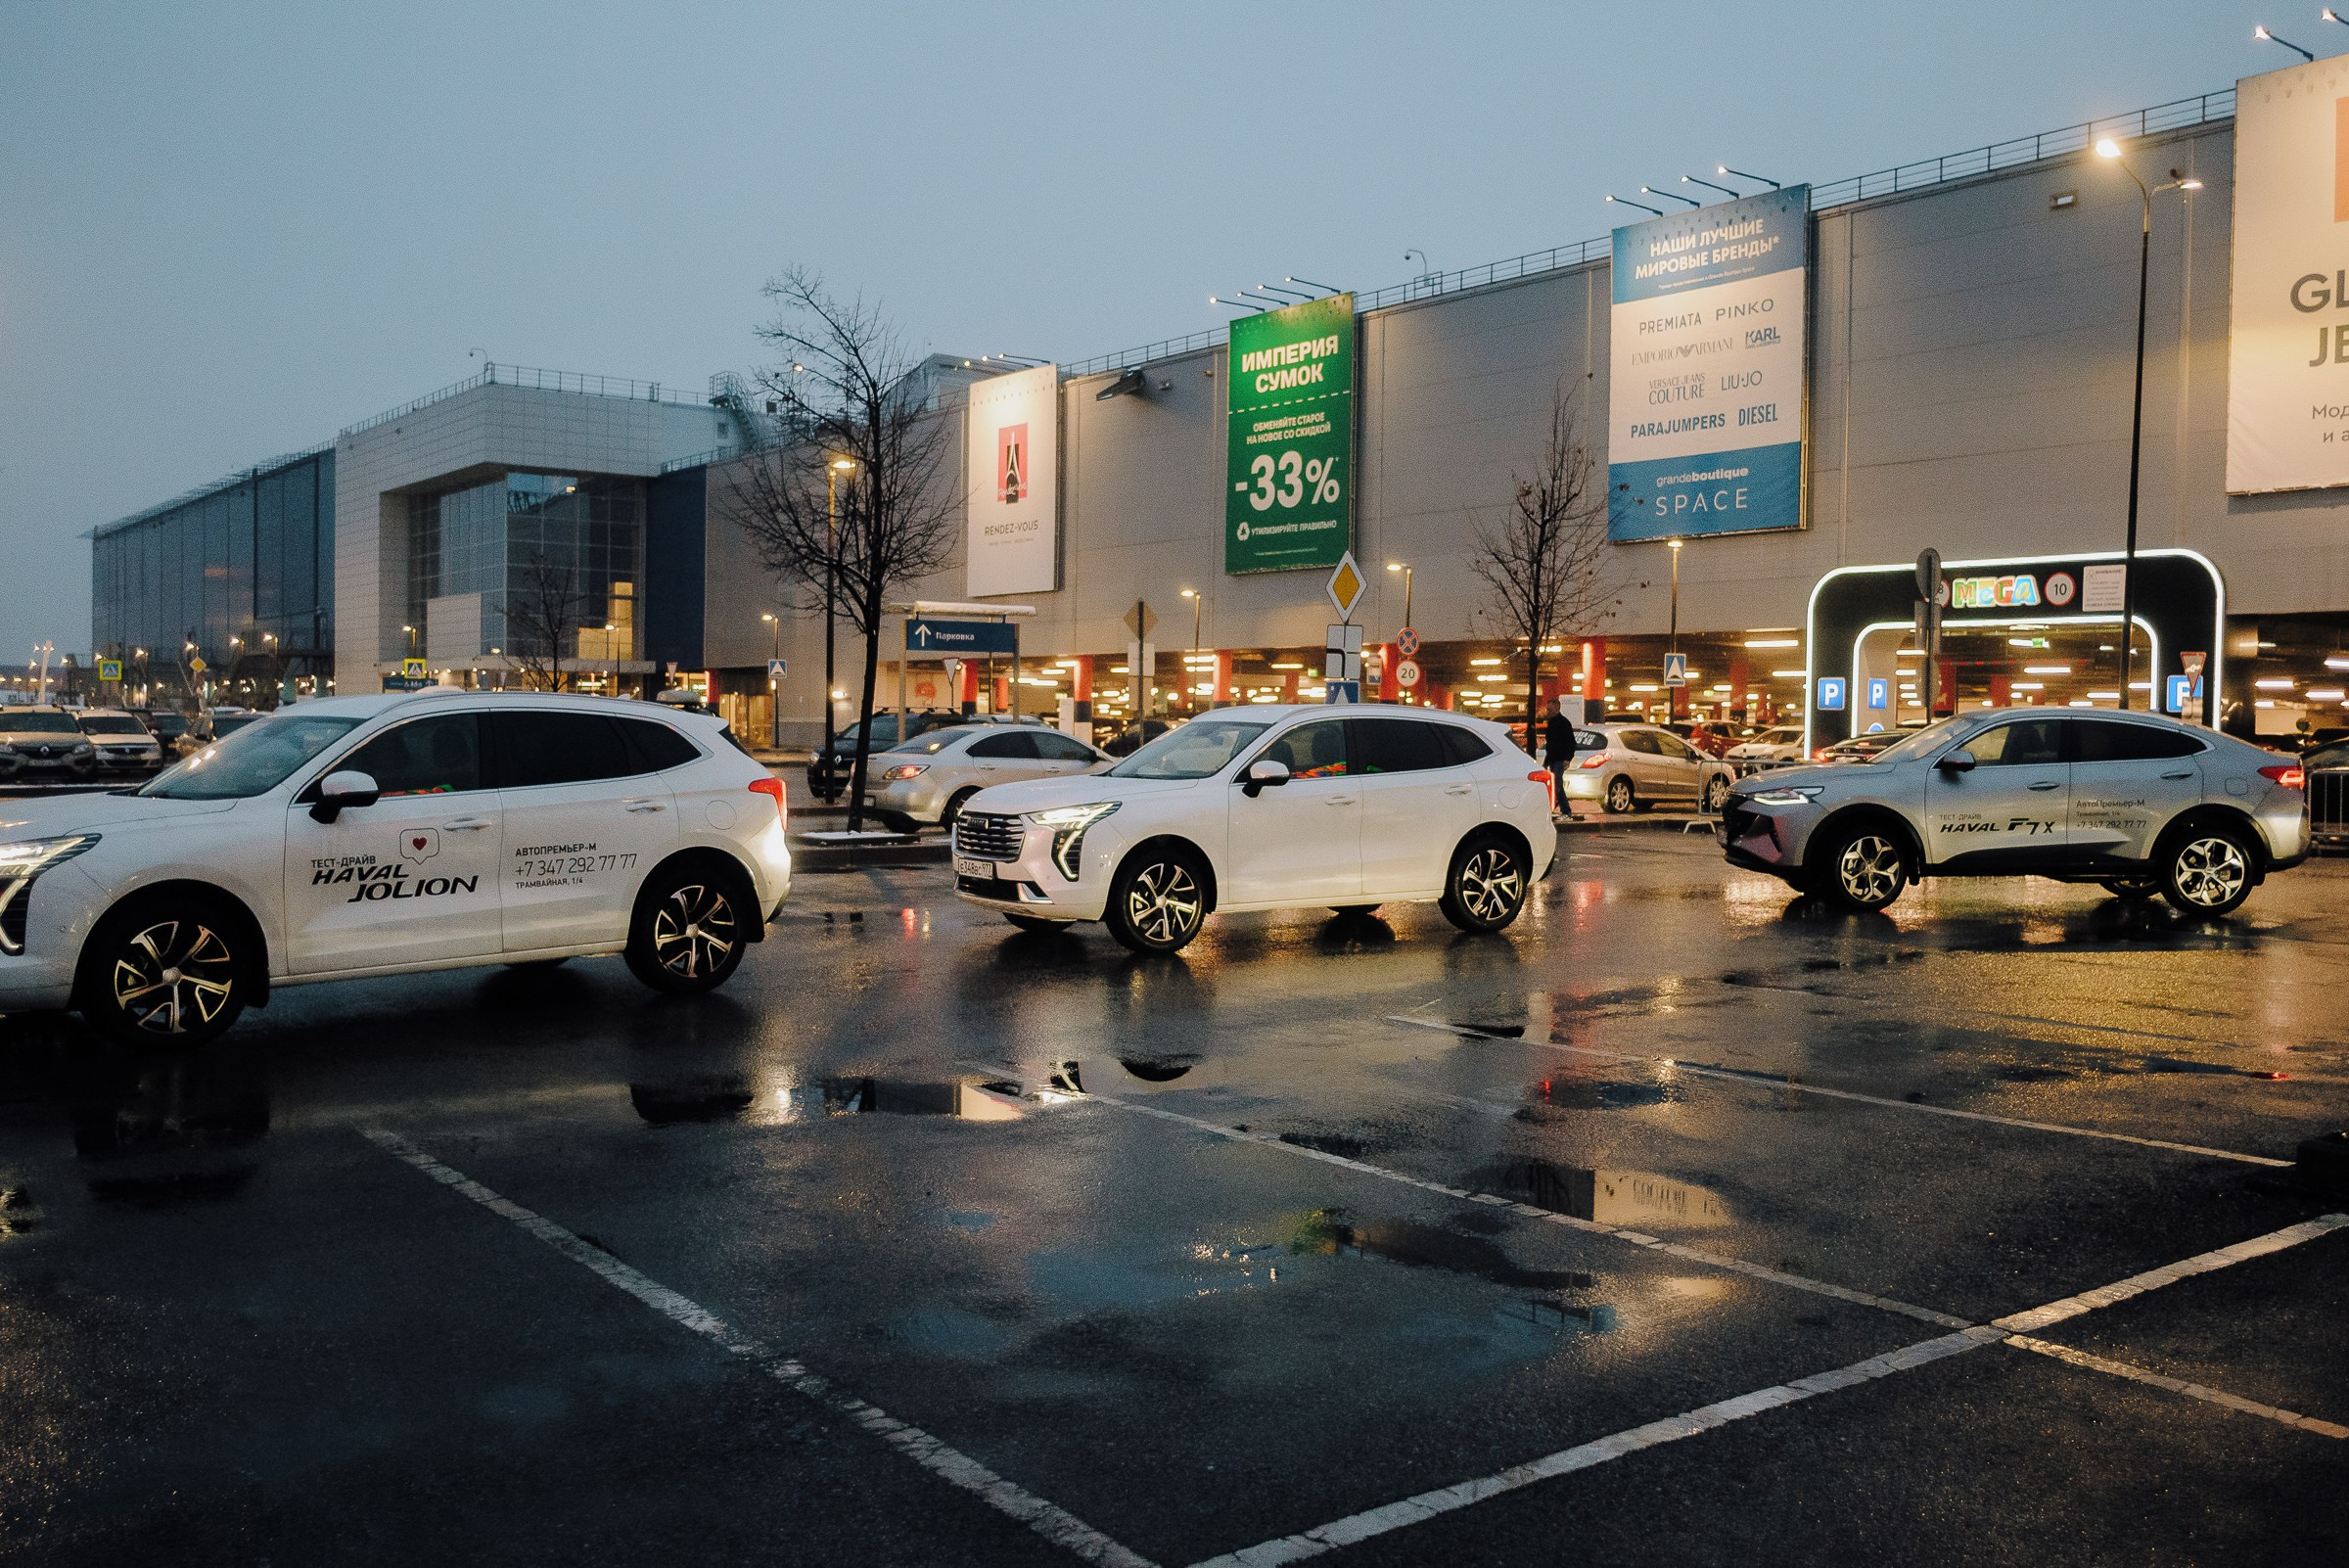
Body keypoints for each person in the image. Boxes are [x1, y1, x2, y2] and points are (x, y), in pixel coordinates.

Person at [1542, 697, 1577, 813]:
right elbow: (1551, 745)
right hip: (1553, 758)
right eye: (1547, 709)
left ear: (1557, 708)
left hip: (1559, 759)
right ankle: (1566, 810)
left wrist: (1567, 758)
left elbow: (1570, 742)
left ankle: (1548, 809)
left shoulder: (1564, 723)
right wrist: (1546, 762)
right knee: (1558, 786)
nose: (1548, 712)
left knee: (1555, 786)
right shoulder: (1551, 723)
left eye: (1550, 710)